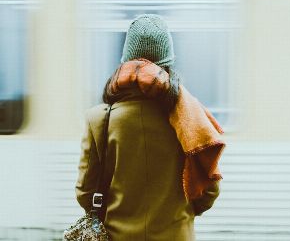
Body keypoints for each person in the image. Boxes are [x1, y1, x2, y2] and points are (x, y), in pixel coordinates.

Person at [75, 14, 222, 241]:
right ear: (168, 64)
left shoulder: (99, 120)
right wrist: (179, 214)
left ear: (126, 63)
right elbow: (208, 190)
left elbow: (86, 193)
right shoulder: (190, 119)